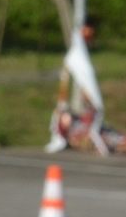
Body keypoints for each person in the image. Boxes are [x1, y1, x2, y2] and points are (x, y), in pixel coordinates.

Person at [46, 20, 108, 155]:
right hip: (73, 102)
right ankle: (61, 137)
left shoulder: (79, 55)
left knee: (84, 116)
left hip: (89, 103)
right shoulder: (76, 55)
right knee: (63, 115)